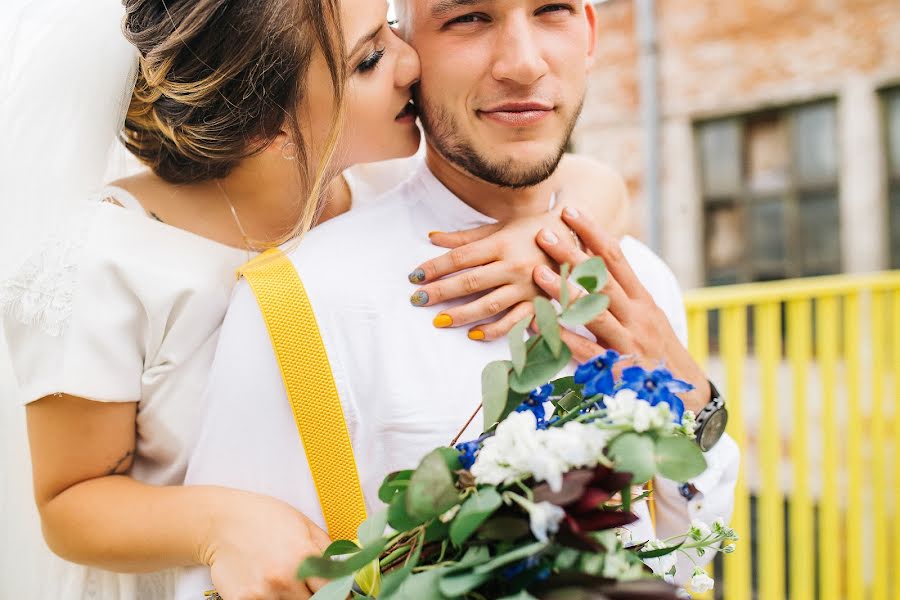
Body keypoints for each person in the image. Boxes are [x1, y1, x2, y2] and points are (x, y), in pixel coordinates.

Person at [0, 0, 632, 598]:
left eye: (389, 29)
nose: (409, 63)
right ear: (265, 124)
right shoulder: (106, 259)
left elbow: (590, 178)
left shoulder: (374, 186)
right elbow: (67, 500)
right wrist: (217, 524)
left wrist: (541, 241)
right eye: (368, 60)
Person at [177, 0, 740, 597]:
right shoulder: (306, 297)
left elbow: (679, 567)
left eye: (553, 11)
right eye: (469, 18)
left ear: (590, 35)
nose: (523, 64)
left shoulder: (642, 282)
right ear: (408, 51)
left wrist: (698, 411)